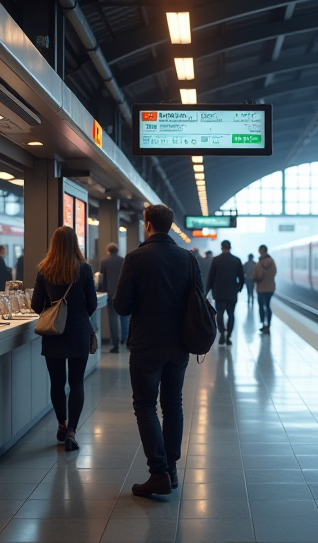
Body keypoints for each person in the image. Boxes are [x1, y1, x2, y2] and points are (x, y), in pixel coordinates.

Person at [113, 204, 200, 496]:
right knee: (173, 405)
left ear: (147, 224)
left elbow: (121, 306)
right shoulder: (188, 259)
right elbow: (198, 297)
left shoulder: (135, 258)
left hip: (147, 344)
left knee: (146, 406)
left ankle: (159, 472)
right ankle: (171, 470)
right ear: (170, 225)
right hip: (179, 345)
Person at [31, 226, 98, 452]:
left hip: (54, 334)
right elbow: (92, 304)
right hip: (79, 331)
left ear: (54, 243)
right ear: (75, 243)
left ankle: (61, 424)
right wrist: (78, 315)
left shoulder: (44, 269)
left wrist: (52, 309)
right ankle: (72, 432)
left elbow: (35, 306)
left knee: (57, 383)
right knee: (77, 382)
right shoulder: (85, 270)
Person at [207, 240, 244, 345]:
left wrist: (208, 290)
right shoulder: (236, 260)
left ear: (221, 247)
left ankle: (222, 333)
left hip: (219, 292)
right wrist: (239, 289)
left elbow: (211, 277)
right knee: (231, 314)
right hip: (232, 292)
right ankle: (229, 336)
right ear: (230, 247)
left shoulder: (216, 260)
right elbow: (241, 278)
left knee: (219, 314)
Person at [99, 243, 129, 353]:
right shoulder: (124, 260)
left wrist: (102, 290)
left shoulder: (104, 261)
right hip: (123, 294)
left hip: (111, 294)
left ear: (108, 251)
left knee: (113, 319)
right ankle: (125, 339)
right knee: (124, 317)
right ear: (117, 250)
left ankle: (115, 344)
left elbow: (102, 279)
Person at [253, 244, 277, 334]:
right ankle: (266, 324)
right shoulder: (268, 261)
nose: (260, 252)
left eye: (260, 250)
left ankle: (265, 324)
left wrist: (257, 277)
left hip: (264, 288)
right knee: (265, 306)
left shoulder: (264, 262)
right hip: (267, 288)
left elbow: (258, 274)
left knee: (264, 306)